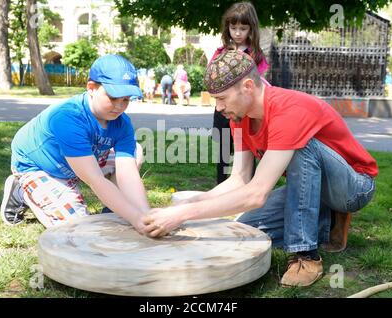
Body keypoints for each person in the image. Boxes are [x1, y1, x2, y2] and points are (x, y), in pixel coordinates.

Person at [142, 50, 378, 287]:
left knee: (303, 147)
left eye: (222, 98)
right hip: (312, 185)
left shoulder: (288, 110)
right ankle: (326, 222)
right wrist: (194, 202)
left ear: (247, 86)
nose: (219, 107)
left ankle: (306, 256)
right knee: (244, 230)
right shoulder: (239, 117)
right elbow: (240, 179)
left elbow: (256, 194)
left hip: (354, 187)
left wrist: (180, 215)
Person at [0, 54, 150, 233]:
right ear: (92, 88)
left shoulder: (121, 122)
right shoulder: (68, 117)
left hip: (80, 161)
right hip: (40, 167)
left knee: (135, 152)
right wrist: (135, 218)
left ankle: (113, 211)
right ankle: (22, 192)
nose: (119, 106)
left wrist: (146, 215)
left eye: (125, 99)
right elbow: (95, 180)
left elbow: (128, 174)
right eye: (112, 97)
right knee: (77, 229)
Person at [210, 1, 270, 184]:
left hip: (246, 114)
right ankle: (221, 186)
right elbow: (213, 80)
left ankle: (248, 190)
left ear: (251, 29)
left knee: (248, 152)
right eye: (233, 27)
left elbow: (257, 87)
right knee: (223, 151)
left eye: (242, 28)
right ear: (227, 27)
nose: (237, 33)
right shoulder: (220, 53)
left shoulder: (257, 56)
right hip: (222, 111)